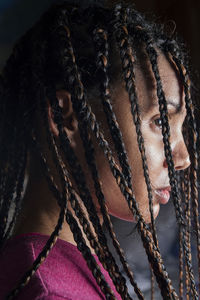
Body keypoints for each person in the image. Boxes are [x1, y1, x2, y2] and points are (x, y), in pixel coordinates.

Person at [0, 1, 199, 299]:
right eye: (160, 122)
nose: (182, 159)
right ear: (65, 116)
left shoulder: (69, 263)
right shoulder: (49, 291)